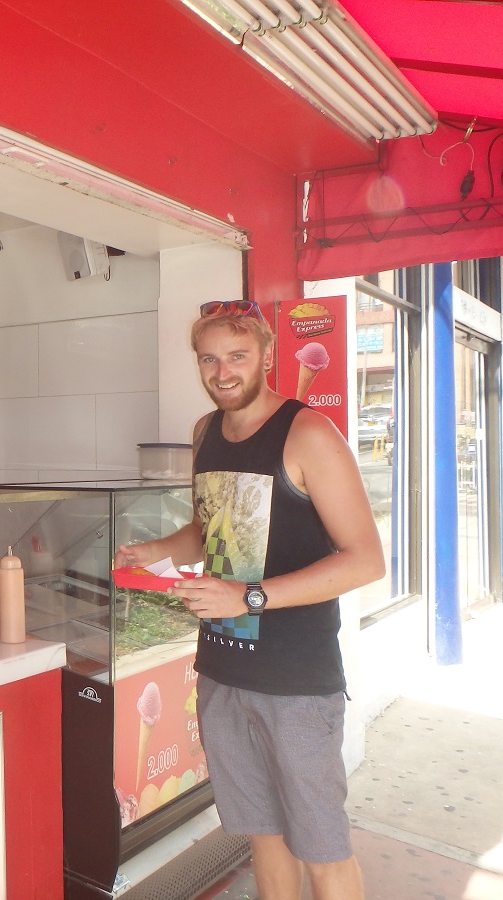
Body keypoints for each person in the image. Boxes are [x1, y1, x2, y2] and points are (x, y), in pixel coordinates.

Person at [115, 299, 384, 900]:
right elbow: (210, 526)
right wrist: (158, 546)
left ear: (266, 355)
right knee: (260, 834)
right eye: (209, 359)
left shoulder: (309, 432)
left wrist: (249, 596)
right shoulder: (205, 432)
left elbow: (365, 559)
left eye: (237, 355)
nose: (222, 371)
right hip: (222, 673)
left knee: (322, 847)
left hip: (297, 683)